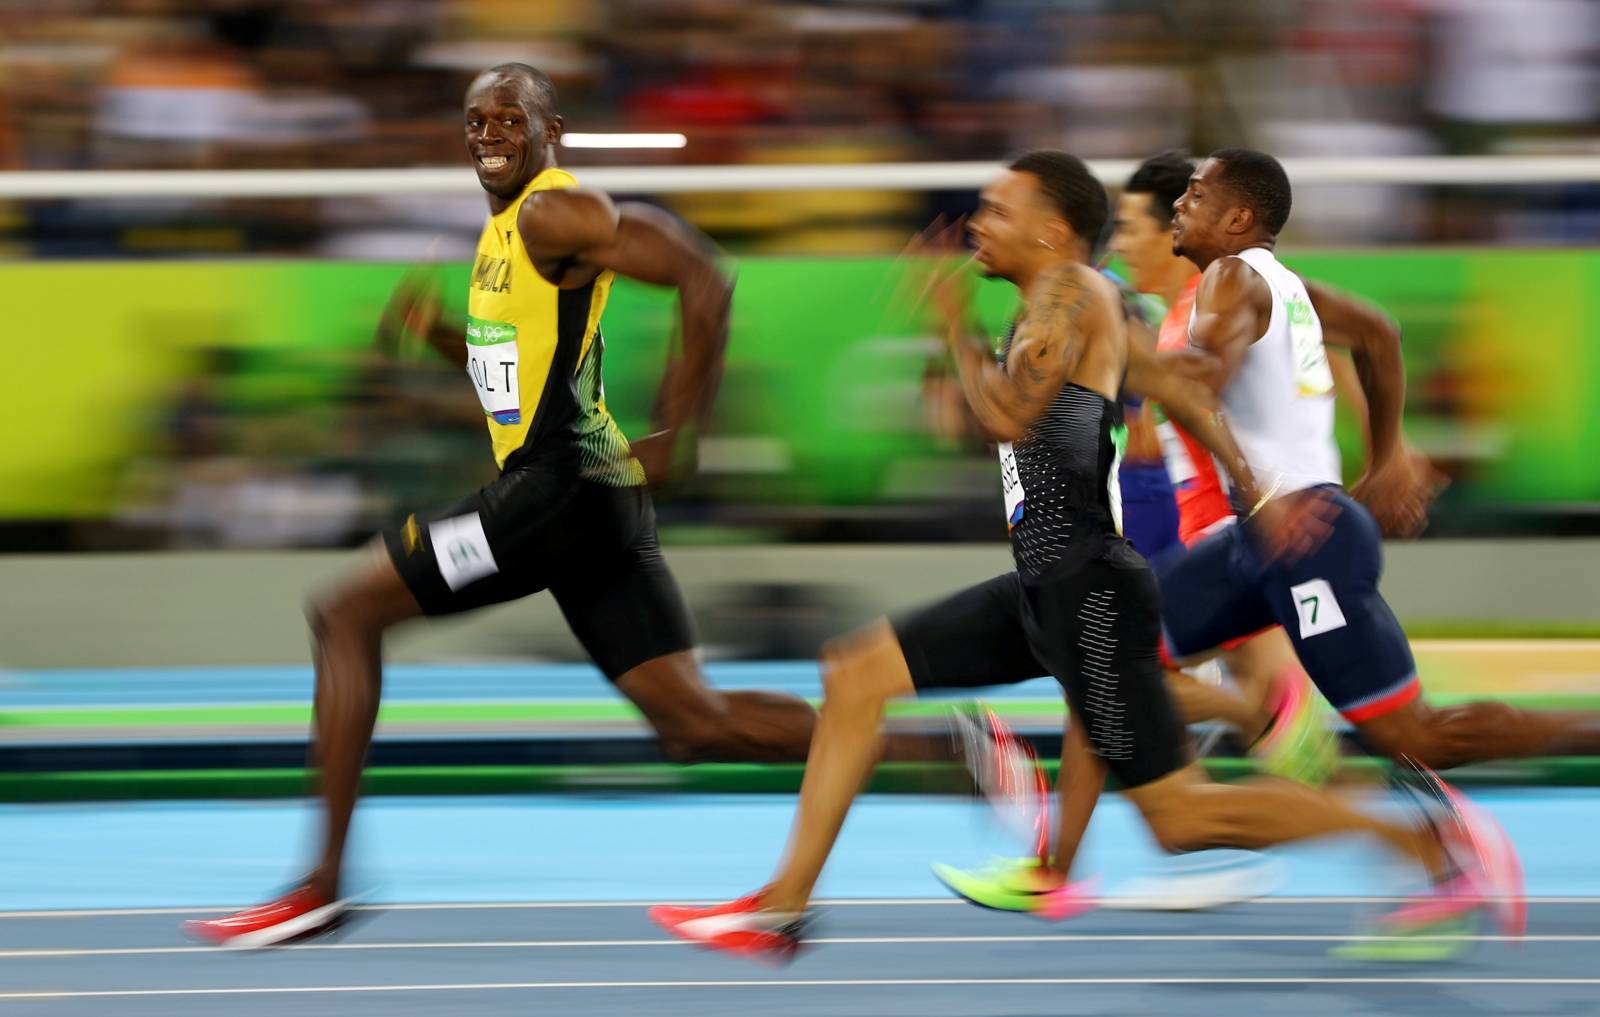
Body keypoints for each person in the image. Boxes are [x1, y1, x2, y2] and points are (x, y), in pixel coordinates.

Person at [649, 151, 1509, 962]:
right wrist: (1255, 492)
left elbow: (1004, 417)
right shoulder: (1070, 309)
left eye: (996, 209)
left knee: (1181, 818)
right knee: (855, 673)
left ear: (1054, 231)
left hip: (1089, 592)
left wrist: (948, 325)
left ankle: (1414, 839)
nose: (976, 222)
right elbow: (1179, 392)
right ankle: (782, 907)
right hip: (1044, 583)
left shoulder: (1073, 294)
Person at [184, 63, 840, 947]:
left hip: (557, 491)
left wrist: (685, 435)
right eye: (476, 120)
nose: (490, 133)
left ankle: (321, 884)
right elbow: (526, 378)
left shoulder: (550, 211)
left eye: (509, 118)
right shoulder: (503, 234)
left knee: (342, 614)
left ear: (549, 128)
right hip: (590, 498)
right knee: (693, 723)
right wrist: (445, 339)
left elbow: (704, 278)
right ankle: (918, 739)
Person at [1159, 148, 1600, 771]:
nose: (1178, 204)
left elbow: (1202, 380)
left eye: (1196, 194)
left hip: (1303, 538)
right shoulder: (1283, 283)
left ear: (1239, 218)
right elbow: (1378, 331)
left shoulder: (1229, 278)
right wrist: (1386, 456)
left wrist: (1126, 358)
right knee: (1120, 650)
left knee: (1415, 739)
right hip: (1261, 538)